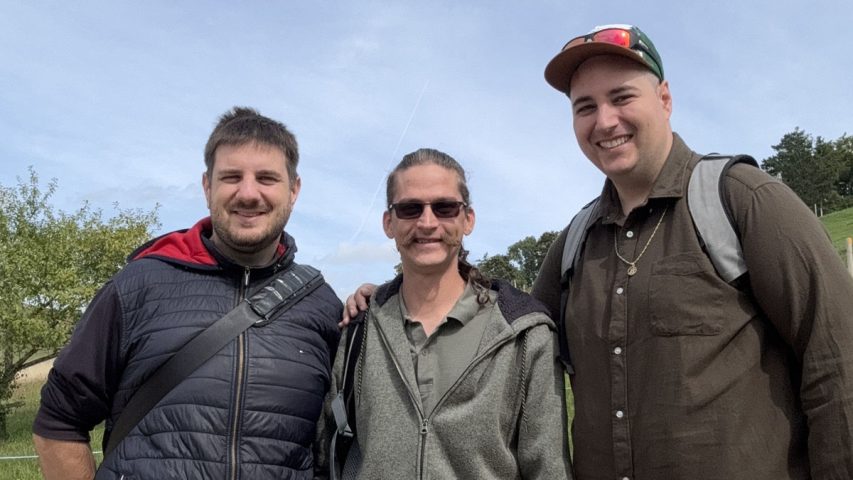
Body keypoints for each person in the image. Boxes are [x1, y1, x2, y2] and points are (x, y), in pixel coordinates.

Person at [532, 24, 853, 479]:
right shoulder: (573, 244)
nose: (604, 121)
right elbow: (511, 353)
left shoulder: (743, 200)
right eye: (585, 107)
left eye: (621, 98)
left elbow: (839, 360)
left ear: (664, 99)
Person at [33, 107, 343, 480]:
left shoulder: (322, 306)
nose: (248, 193)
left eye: (266, 178)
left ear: (293, 190)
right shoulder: (138, 286)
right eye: (231, 177)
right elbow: (59, 420)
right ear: (207, 186)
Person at [315, 148, 571, 479]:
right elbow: (327, 456)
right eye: (410, 209)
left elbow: (548, 469)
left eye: (444, 207)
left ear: (468, 219)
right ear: (388, 223)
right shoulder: (359, 330)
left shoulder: (525, 333)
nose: (427, 222)